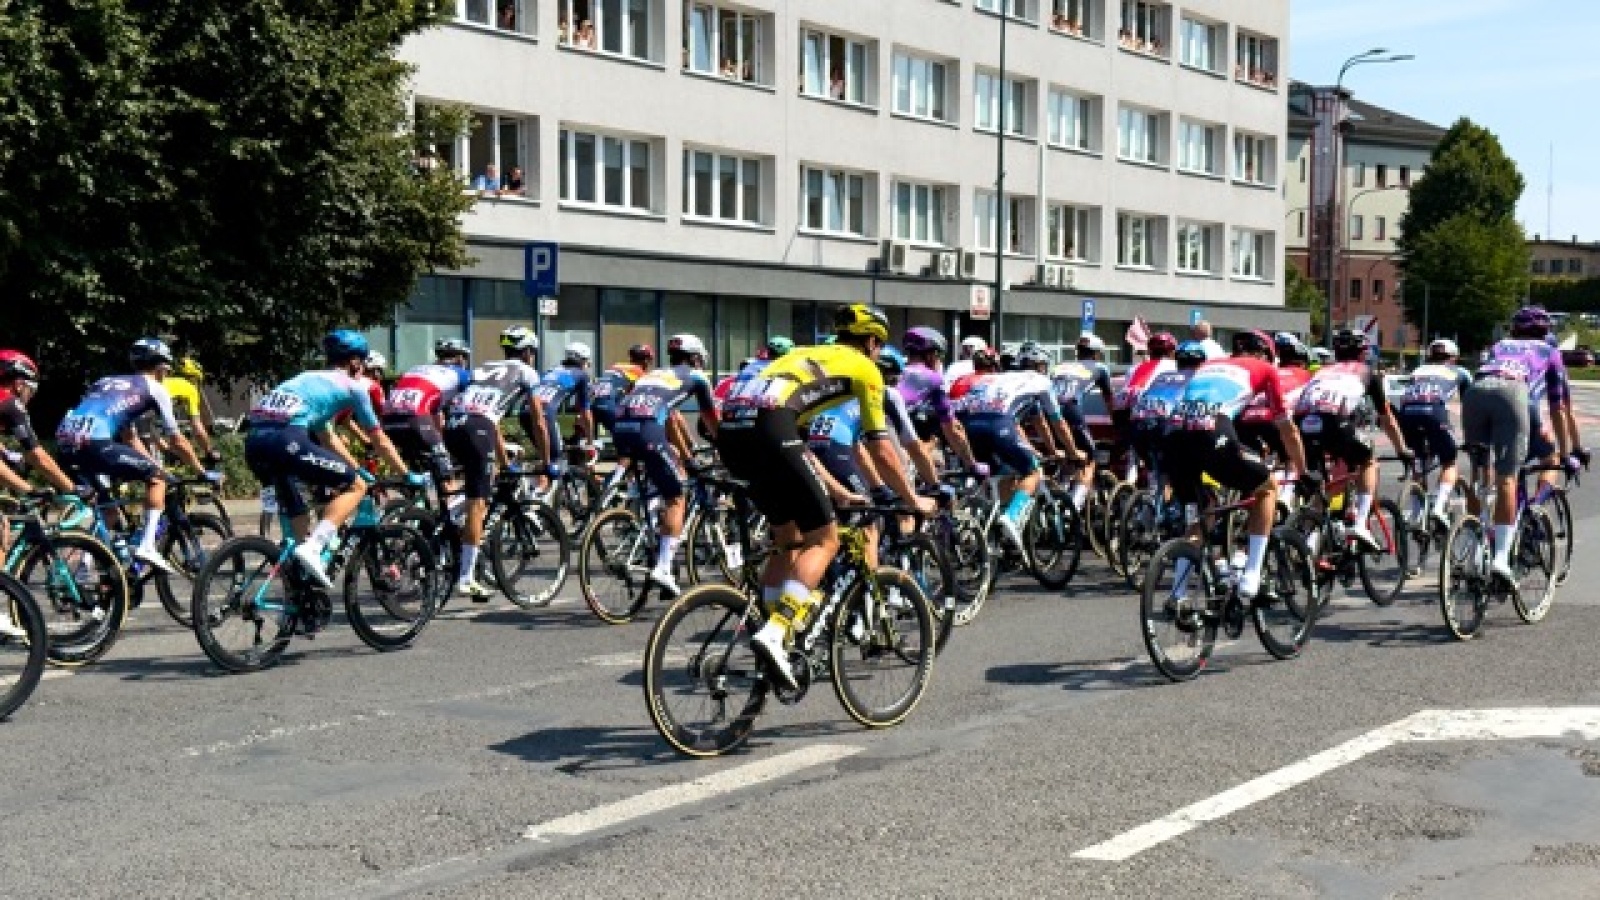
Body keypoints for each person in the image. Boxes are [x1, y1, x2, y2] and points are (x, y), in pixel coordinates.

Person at [716, 304, 934, 689]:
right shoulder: (865, 369)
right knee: (825, 538)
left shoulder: (803, 355)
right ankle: (776, 632)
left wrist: (839, 492)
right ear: (872, 342)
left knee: (788, 538)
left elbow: (800, 449)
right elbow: (881, 448)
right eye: (878, 347)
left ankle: (770, 630)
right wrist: (912, 499)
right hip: (770, 425)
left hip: (732, 430)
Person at [243, 331, 419, 589]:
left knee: (298, 518)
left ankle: (298, 588)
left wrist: (355, 467)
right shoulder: (354, 387)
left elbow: (328, 439)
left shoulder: (306, 378)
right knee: (356, 487)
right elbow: (379, 439)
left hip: (254, 444)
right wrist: (406, 474)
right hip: (287, 441)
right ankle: (315, 547)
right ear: (356, 363)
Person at [1165, 330, 1308, 601]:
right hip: (1211, 429)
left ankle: (1177, 595)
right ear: (1266, 355)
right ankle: (1251, 576)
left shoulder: (1209, 365)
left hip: (1173, 435)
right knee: (1267, 487)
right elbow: (1287, 429)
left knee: (1203, 513)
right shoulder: (1265, 368)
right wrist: (1302, 470)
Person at [56, 339, 218, 573]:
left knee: (107, 511)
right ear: (161, 367)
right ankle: (147, 546)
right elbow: (177, 440)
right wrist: (201, 472)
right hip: (95, 443)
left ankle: (83, 572)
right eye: (167, 369)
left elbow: (129, 438)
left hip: (65, 441)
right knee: (157, 480)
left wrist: (154, 465)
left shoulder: (106, 382)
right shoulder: (156, 389)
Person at [1465, 307, 1581, 583]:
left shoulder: (1499, 345)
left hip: (1475, 392)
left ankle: (1473, 545)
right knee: (1514, 474)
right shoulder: (1549, 352)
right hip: (1515, 397)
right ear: (1546, 330)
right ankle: (1501, 558)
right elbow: (1558, 408)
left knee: (1481, 473)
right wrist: (1567, 454)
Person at [443, 326, 549, 600]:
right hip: (478, 429)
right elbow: (538, 421)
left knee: (476, 484)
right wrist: (547, 460)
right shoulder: (527, 372)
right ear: (528, 352)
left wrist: (504, 462)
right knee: (478, 501)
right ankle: (466, 577)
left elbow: (492, 421)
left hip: (453, 426)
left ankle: (449, 525)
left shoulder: (482, 368)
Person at [611, 334, 719, 596]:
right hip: (647, 430)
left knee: (660, 479)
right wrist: (726, 446)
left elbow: (669, 418)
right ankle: (663, 567)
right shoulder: (697, 377)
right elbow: (712, 421)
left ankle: (648, 531)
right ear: (696, 358)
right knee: (676, 497)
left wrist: (686, 455)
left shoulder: (654, 375)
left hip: (621, 427)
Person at [1293, 328, 1411, 552]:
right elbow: (1387, 419)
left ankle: (1307, 543)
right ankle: (1360, 523)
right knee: (1368, 460)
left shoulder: (1322, 370)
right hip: (1333, 420)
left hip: (1302, 423)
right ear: (1363, 352)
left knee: (1323, 487)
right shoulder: (1367, 373)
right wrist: (1402, 449)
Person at [966, 344, 1085, 547]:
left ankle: (990, 532)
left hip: (970, 426)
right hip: (998, 424)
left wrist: (1036, 448)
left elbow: (1028, 422)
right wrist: (1072, 452)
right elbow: (1057, 422)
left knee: (1002, 475)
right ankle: (1011, 518)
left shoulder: (1002, 377)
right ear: (1041, 366)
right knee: (1032, 472)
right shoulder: (1041, 382)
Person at [1397, 338, 1474, 530]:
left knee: (1419, 462)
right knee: (1449, 462)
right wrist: (1470, 436)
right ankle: (1439, 507)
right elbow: (1470, 406)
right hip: (1434, 412)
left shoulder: (1417, 370)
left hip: (1406, 414)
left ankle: (1417, 513)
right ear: (1454, 357)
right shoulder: (1460, 371)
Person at [382, 338, 473, 489]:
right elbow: (472, 406)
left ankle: (419, 499)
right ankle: (447, 497)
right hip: (416, 419)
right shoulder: (460, 374)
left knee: (421, 467)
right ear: (460, 358)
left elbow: (436, 415)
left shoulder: (416, 369)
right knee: (446, 474)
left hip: (388, 421)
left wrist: (439, 438)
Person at [899, 327, 984, 474]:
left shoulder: (897, 371)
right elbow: (953, 429)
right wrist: (972, 464)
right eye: (940, 355)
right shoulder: (932, 378)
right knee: (936, 475)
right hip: (893, 439)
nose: (939, 361)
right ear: (931, 355)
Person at [1050, 333, 1116, 511]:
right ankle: (1073, 508)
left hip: (1049, 412)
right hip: (1070, 410)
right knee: (1089, 459)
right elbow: (1109, 400)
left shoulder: (1059, 367)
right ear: (1096, 353)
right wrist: (1116, 423)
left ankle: (1056, 501)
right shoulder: (1100, 368)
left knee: (1068, 455)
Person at [0, 350, 77, 497]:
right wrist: (72, 489)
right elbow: (37, 456)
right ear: (19, 384)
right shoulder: (10, 404)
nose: (30, 397)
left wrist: (6, 453)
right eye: (31, 390)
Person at [1237, 332, 1313, 472]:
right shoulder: (1307, 376)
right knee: (1292, 454)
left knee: (1252, 463)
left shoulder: (1273, 371)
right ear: (1303, 363)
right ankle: (1292, 480)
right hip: (1273, 420)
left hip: (1244, 419)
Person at [1113, 332, 1177, 481]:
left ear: (1150, 350)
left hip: (1135, 422)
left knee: (1148, 463)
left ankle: (1134, 485)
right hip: (1161, 422)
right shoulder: (1176, 367)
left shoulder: (1135, 369)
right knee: (1166, 467)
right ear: (1171, 351)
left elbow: (1124, 399)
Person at [533, 342, 594, 485]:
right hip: (545, 414)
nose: (587, 366)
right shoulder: (581, 375)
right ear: (582, 360)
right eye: (587, 362)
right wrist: (590, 441)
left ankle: (533, 490)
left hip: (526, 412)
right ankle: (539, 495)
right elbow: (585, 412)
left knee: (545, 457)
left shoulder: (550, 371)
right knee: (556, 459)